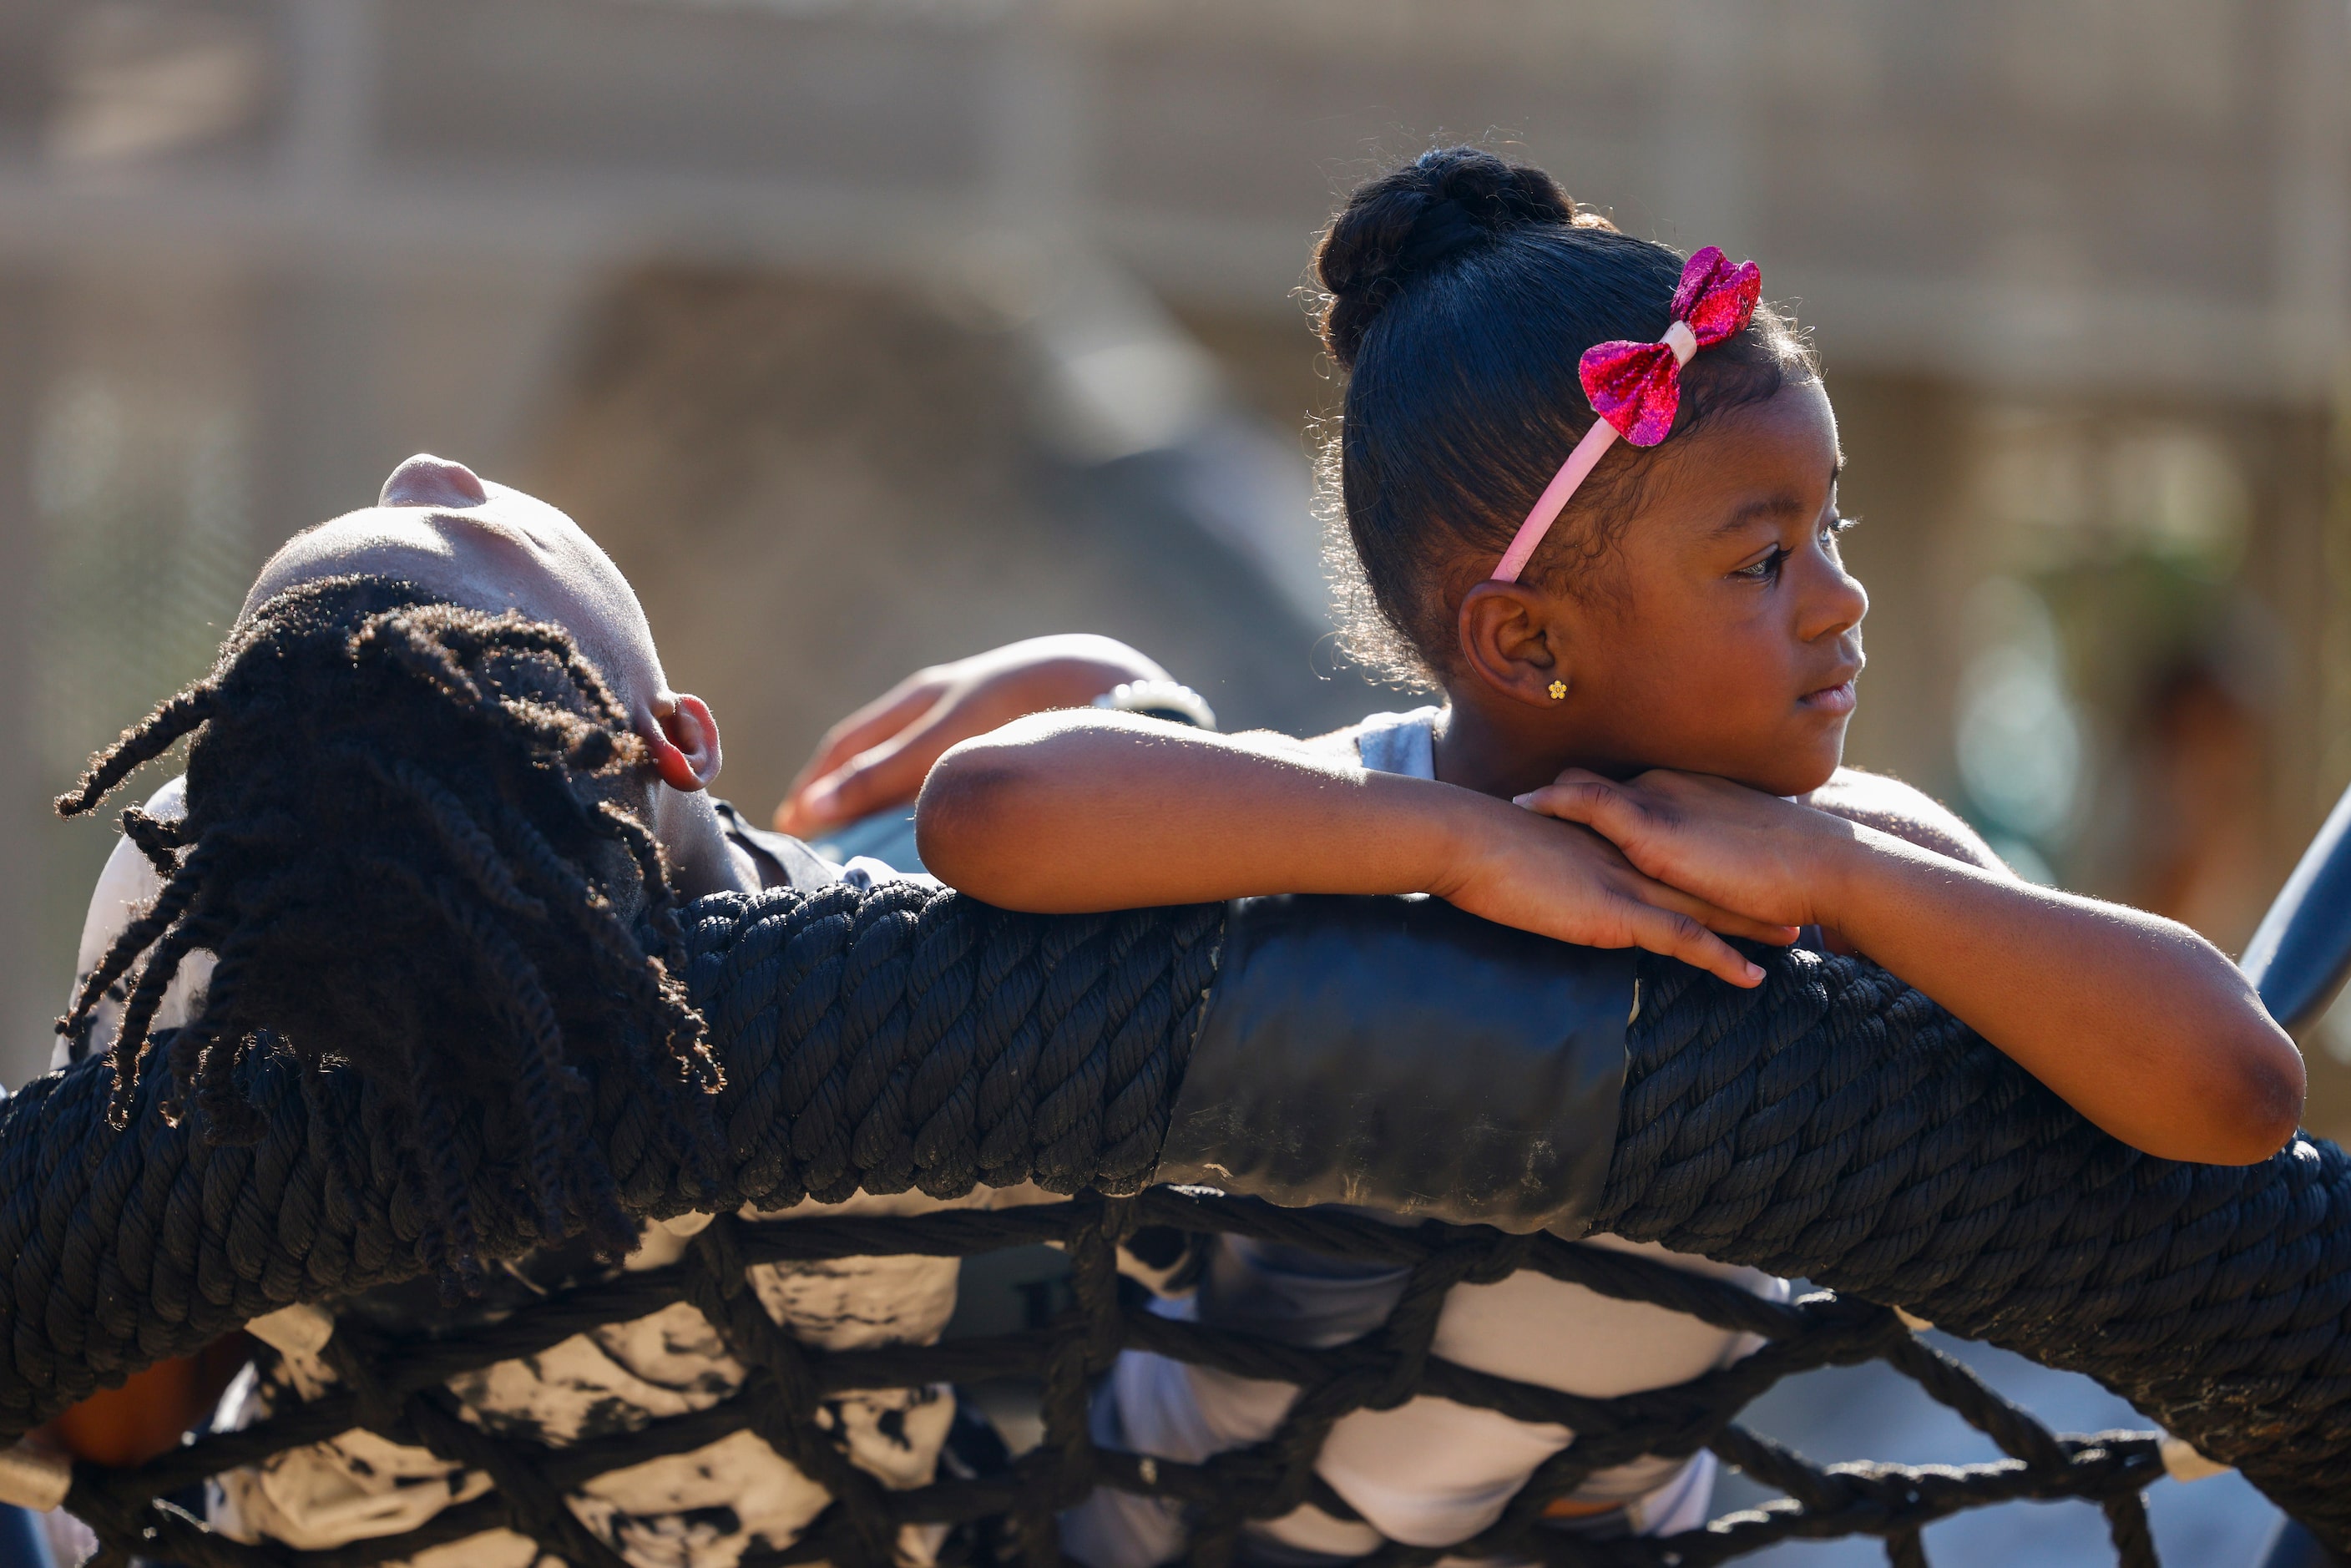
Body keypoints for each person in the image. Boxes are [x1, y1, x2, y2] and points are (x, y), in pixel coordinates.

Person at [902, 148, 2305, 1563]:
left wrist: (1853, 882)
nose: (1842, 597)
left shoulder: (1846, 858)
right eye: (1763, 562)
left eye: (1833, 527)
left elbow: (2237, 1087)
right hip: (1172, 1536)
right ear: (1526, 639)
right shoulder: (1363, 819)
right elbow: (988, 814)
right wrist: (1462, 848)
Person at [41, 453, 1797, 1568]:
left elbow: (110, 1424)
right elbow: (1048, 853)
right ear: (682, 743)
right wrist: (1122, 700)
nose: (435, 460)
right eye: (473, 521)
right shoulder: (888, 983)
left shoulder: (218, 978)